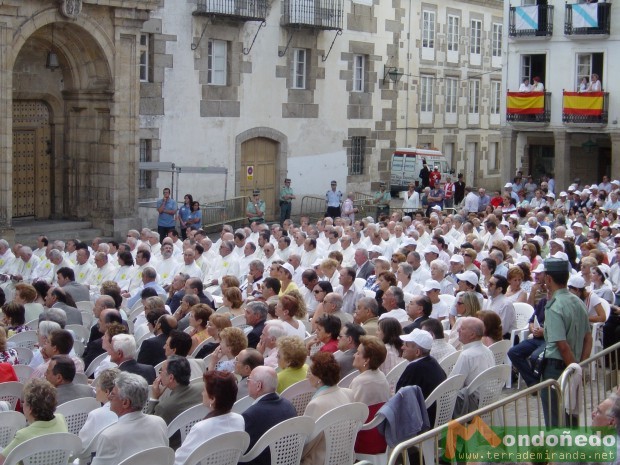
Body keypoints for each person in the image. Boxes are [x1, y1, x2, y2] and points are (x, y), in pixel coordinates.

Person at [539, 258, 591, 427]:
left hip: (557, 367)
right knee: (570, 417)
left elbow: (562, 345)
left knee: (555, 420)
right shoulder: (577, 301)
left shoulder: (554, 306)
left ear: (548, 279)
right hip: (572, 364)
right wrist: (579, 366)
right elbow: (587, 338)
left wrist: (573, 370)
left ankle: (559, 453)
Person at [92, 372, 168, 465]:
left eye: (113, 394)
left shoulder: (109, 436)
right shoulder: (159, 422)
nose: (109, 397)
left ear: (125, 403)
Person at [301, 352, 354, 465]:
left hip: (321, 460)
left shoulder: (316, 404)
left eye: (309, 372)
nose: (307, 376)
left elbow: (308, 443)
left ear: (319, 378)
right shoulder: (348, 393)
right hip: (345, 458)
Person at [0, 378, 68, 462]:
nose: (22, 405)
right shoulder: (61, 419)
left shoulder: (23, 435)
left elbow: (2, 461)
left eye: (24, 402)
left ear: (30, 408)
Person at [242, 366, 297, 465]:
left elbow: (243, 451)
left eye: (249, 380)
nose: (247, 383)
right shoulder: (289, 405)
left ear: (258, 386)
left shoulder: (251, 415)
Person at [147, 356, 203, 449]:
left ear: (171, 377)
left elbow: (150, 431)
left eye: (161, 372)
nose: (159, 375)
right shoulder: (203, 388)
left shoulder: (164, 407)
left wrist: (154, 398)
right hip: (199, 443)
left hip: (175, 450)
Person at [396, 328, 446, 424]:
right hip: (436, 418)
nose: (402, 347)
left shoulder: (415, 368)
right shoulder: (432, 361)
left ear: (417, 352)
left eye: (406, 345)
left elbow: (400, 398)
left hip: (423, 423)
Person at [78, 368, 119, 450]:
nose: (95, 389)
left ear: (107, 392)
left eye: (97, 385)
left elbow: (82, 445)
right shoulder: (126, 411)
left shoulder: (96, 414)